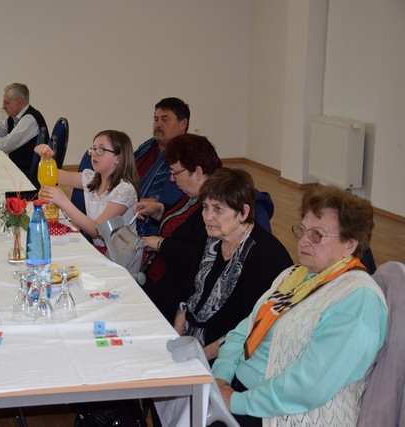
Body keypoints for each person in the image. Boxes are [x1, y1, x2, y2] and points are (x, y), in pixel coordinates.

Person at [210, 185, 387, 426]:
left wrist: (235, 402)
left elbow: (309, 387)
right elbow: (244, 330)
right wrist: (220, 378)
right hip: (240, 393)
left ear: (349, 244)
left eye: (316, 235)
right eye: (302, 230)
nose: (303, 240)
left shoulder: (358, 300)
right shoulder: (295, 274)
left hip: (284, 415)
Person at [172, 168, 293, 360]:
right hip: (190, 340)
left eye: (218, 209)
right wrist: (176, 334)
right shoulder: (209, 237)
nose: (208, 216)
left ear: (243, 212)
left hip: (230, 355)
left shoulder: (267, 258)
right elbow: (189, 290)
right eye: (205, 207)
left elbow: (250, 329)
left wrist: (199, 357)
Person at [133, 134, 222, 324]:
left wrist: (159, 244)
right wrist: (159, 210)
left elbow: (200, 255)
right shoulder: (194, 196)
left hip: (177, 293)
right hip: (162, 280)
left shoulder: (214, 208)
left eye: (175, 173)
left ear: (197, 172)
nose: (172, 179)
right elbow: (182, 223)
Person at [34, 130, 139, 250]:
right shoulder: (92, 179)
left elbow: (96, 230)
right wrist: (47, 159)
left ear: (118, 158)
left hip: (118, 255)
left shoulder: (124, 190)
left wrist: (63, 202)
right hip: (98, 249)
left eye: (101, 150)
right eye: (93, 149)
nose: (94, 154)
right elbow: (52, 175)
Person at [133, 97, 190, 236]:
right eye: (155, 119)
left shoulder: (186, 155)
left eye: (165, 120)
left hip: (152, 228)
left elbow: (173, 201)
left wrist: (125, 202)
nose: (158, 124)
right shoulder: (148, 146)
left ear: (183, 123)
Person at [0, 83, 47, 185]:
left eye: (6, 103)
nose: (3, 107)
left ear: (19, 102)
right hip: (20, 168)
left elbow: (7, 144)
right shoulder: (13, 119)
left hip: (30, 174)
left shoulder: (30, 119)